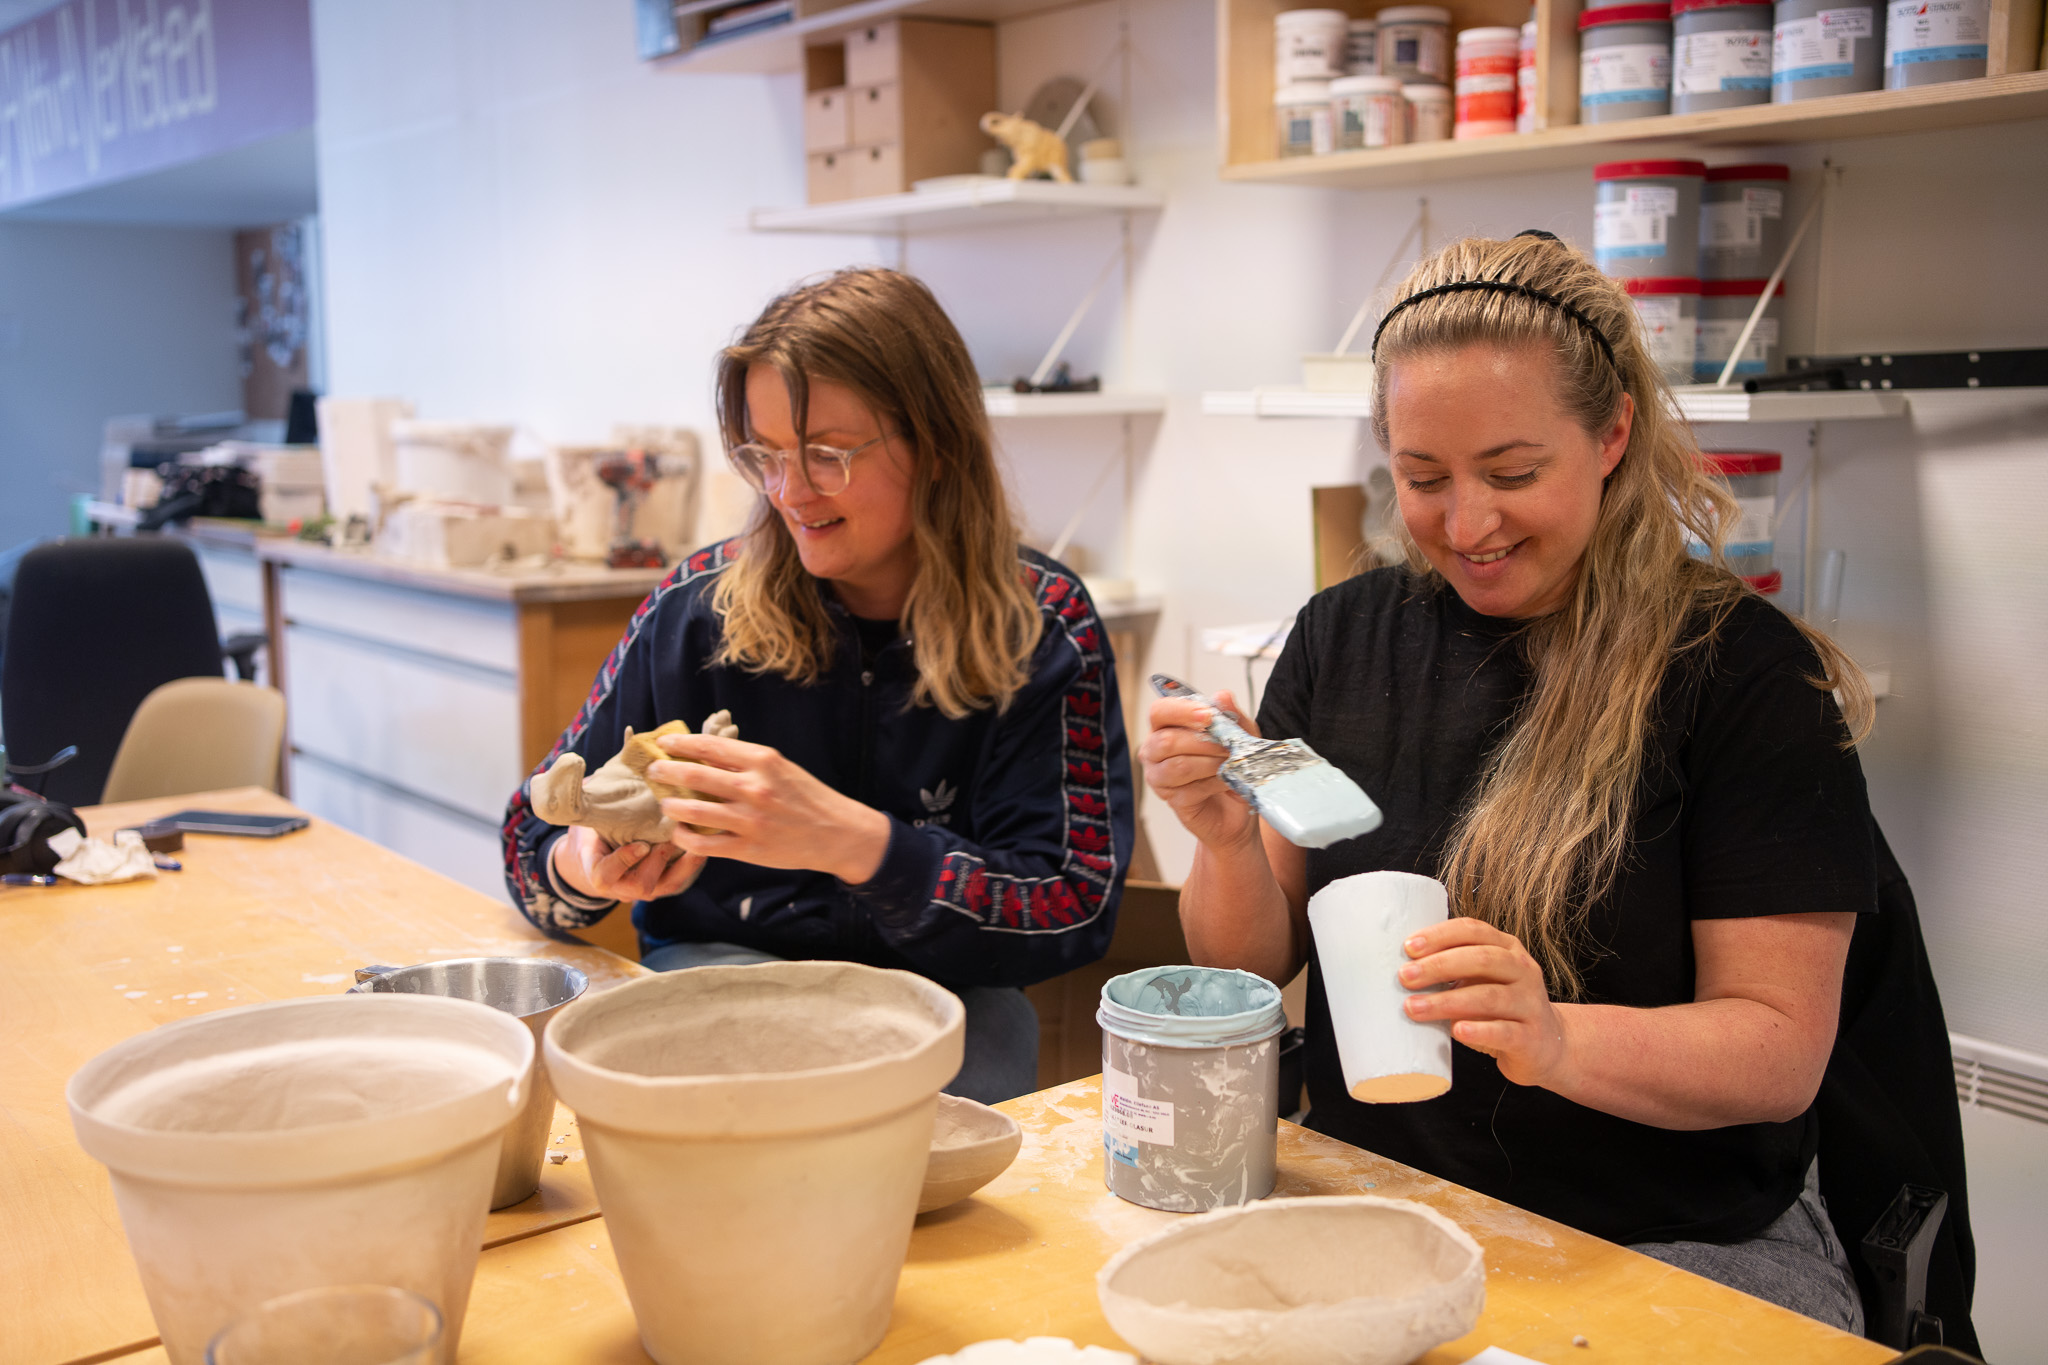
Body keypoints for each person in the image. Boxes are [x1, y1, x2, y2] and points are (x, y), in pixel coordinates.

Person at [1143, 232, 1878, 1331]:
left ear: (1611, 434)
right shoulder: (1343, 635)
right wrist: (1223, 839)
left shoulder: (1740, 674)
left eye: (1512, 473)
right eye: (1422, 479)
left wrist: (1559, 1040)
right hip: (1382, 1204)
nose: (1467, 525)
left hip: (1665, 1241)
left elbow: (1776, 1052)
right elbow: (1248, 962)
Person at [503, 268, 1134, 1104]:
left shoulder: (1042, 624)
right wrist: (586, 865)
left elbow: (1072, 905)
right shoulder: (697, 608)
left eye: (829, 455)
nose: (789, 492)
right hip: (717, 980)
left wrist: (856, 843)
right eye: (765, 453)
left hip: (948, 1006)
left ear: (936, 443)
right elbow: (526, 848)